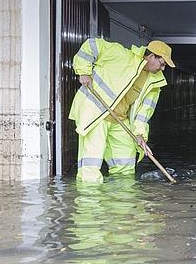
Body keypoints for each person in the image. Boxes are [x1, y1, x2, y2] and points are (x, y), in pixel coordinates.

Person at [69, 38, 175, 182]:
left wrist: (140, 135)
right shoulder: (120, 54)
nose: (162, 69)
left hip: (120, 120)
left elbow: (144, 113)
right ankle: (89, 201)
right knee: (91, 164)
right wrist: (84, 72)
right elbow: (91, 45)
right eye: (162, 64)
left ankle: (121, 202)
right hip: (96, 113)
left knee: (125, 166)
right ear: (151, 56)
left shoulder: (155, 82)